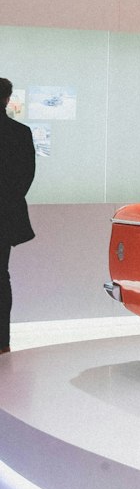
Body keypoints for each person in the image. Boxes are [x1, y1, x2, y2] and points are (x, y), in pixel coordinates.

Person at [0, 77, 36, 353]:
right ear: (8, 99)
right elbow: (25, 177)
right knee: (1, 276)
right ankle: (2, 342)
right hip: (5, 216)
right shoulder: (20, 133)